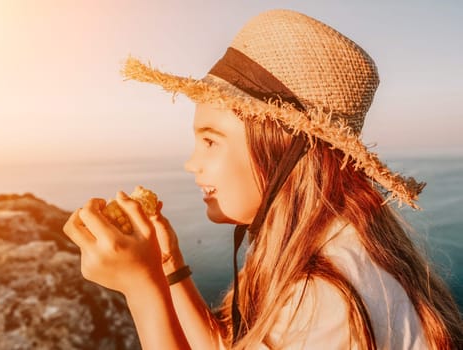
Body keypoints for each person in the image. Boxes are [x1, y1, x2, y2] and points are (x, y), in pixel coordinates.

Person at [63, 9, 463, 349]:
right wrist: (169, 266)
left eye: (210, 141)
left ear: (281, 150)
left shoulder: (327, 300)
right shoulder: (319, 246)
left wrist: (140, 289)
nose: (191, 163)